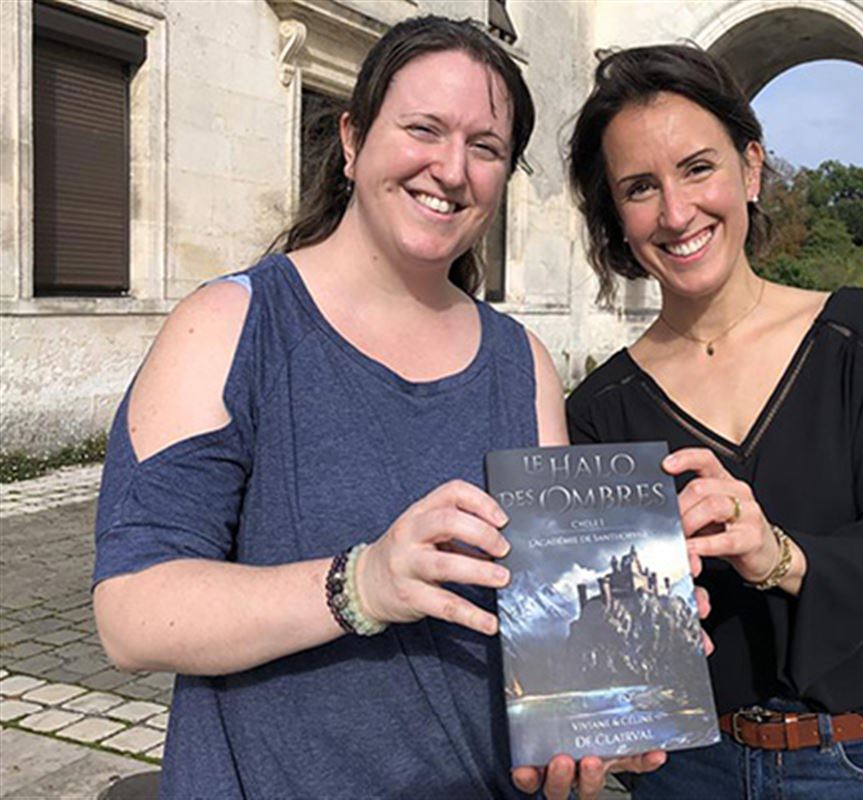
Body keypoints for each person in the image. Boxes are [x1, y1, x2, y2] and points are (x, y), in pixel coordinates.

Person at [91, 17, 664, 799]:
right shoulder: (230, 324)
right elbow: (131, 611)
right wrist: (359, 584)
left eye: (485, 147)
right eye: (423, 129)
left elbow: (549, 613)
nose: (451, 169)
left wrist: (612, 692)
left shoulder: (518, 363)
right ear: (355, 141)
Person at [565, 45, 863, 799]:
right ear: (617, 216)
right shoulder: (600, 410)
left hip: (854, 761)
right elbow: (608, 632)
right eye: (641, 187)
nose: (676, 213)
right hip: (684, 773)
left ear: (751, 168)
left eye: (698, 168)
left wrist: (778, 554)